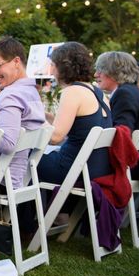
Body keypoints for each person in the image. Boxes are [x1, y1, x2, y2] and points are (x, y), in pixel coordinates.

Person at [37, 42, 112, 185]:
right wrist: (43, 114)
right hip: (96, 168)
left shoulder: (72, 92)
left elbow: (55, 137)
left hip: (73, 169)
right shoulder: (98, 93)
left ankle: (25, 207)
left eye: (52, 65)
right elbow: (79, 125)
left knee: (19, 158)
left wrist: (35, 119)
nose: (51, 71)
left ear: (63, 66)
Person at [0, 37, 45, 189]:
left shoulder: (11, 95)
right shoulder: (31, 92)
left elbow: (7, 144)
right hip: (17, 177)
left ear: (16, 61)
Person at [95, 51, 139, 184]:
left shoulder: (124, 93)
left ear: (113, 72)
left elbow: (122, 133)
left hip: (137, 166)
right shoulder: (134, 92)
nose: (96, 75)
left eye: (100, 70)